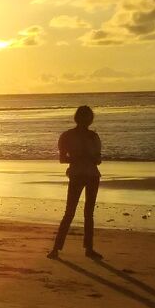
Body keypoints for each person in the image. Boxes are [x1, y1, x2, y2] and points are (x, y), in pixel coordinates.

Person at [47, 105, 103, 260]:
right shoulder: (68, 136)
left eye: (88, 117)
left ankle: (88, 248)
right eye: (85, 117)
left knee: (88, 213)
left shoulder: (93, 136)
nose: (87, 120)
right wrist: (80, 157)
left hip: (91, 175)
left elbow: (98, 159)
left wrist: (90, 158)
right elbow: (62, 159)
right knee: (70, 212)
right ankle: (57, 248)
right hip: (78, 174)